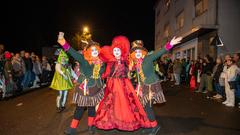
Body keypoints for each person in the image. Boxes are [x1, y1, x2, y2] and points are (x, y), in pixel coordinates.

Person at [94, 36, 157, 133]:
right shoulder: (110, 62)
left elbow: (131, 69)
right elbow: (105, 73)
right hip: (112, 85)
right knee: (111, 104)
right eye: (114, 50)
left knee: (125, 104)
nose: (116, 52)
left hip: (124, 85)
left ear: (121, 50)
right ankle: (113, 121)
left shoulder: (126, 61)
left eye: (118, 50)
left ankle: (126, 121)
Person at [129, 37, 182, 135]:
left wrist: (170, 44)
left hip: (152, 86)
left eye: (139, 51)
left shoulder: (148, 58)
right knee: (145, 107)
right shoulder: (136, 64)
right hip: (143, 87)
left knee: (147, 107)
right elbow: (138, 77)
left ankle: (155, 126)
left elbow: (160, 52)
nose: (138, 53)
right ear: (133, 54)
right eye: (135, 52)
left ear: (143, 52)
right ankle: (150, 125)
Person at [58, 35, 105, 135]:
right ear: (88, 51)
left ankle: (90, 126)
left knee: (92, 108)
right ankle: (72, 128)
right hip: (84, 88)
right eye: (92, 50)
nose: (94, 51)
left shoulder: (101, 62)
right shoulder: (83, 59)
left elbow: (103, 73)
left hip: (95, 88)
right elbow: (73, 52)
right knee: (80, 108)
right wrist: (63, 42)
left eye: (96, 49)